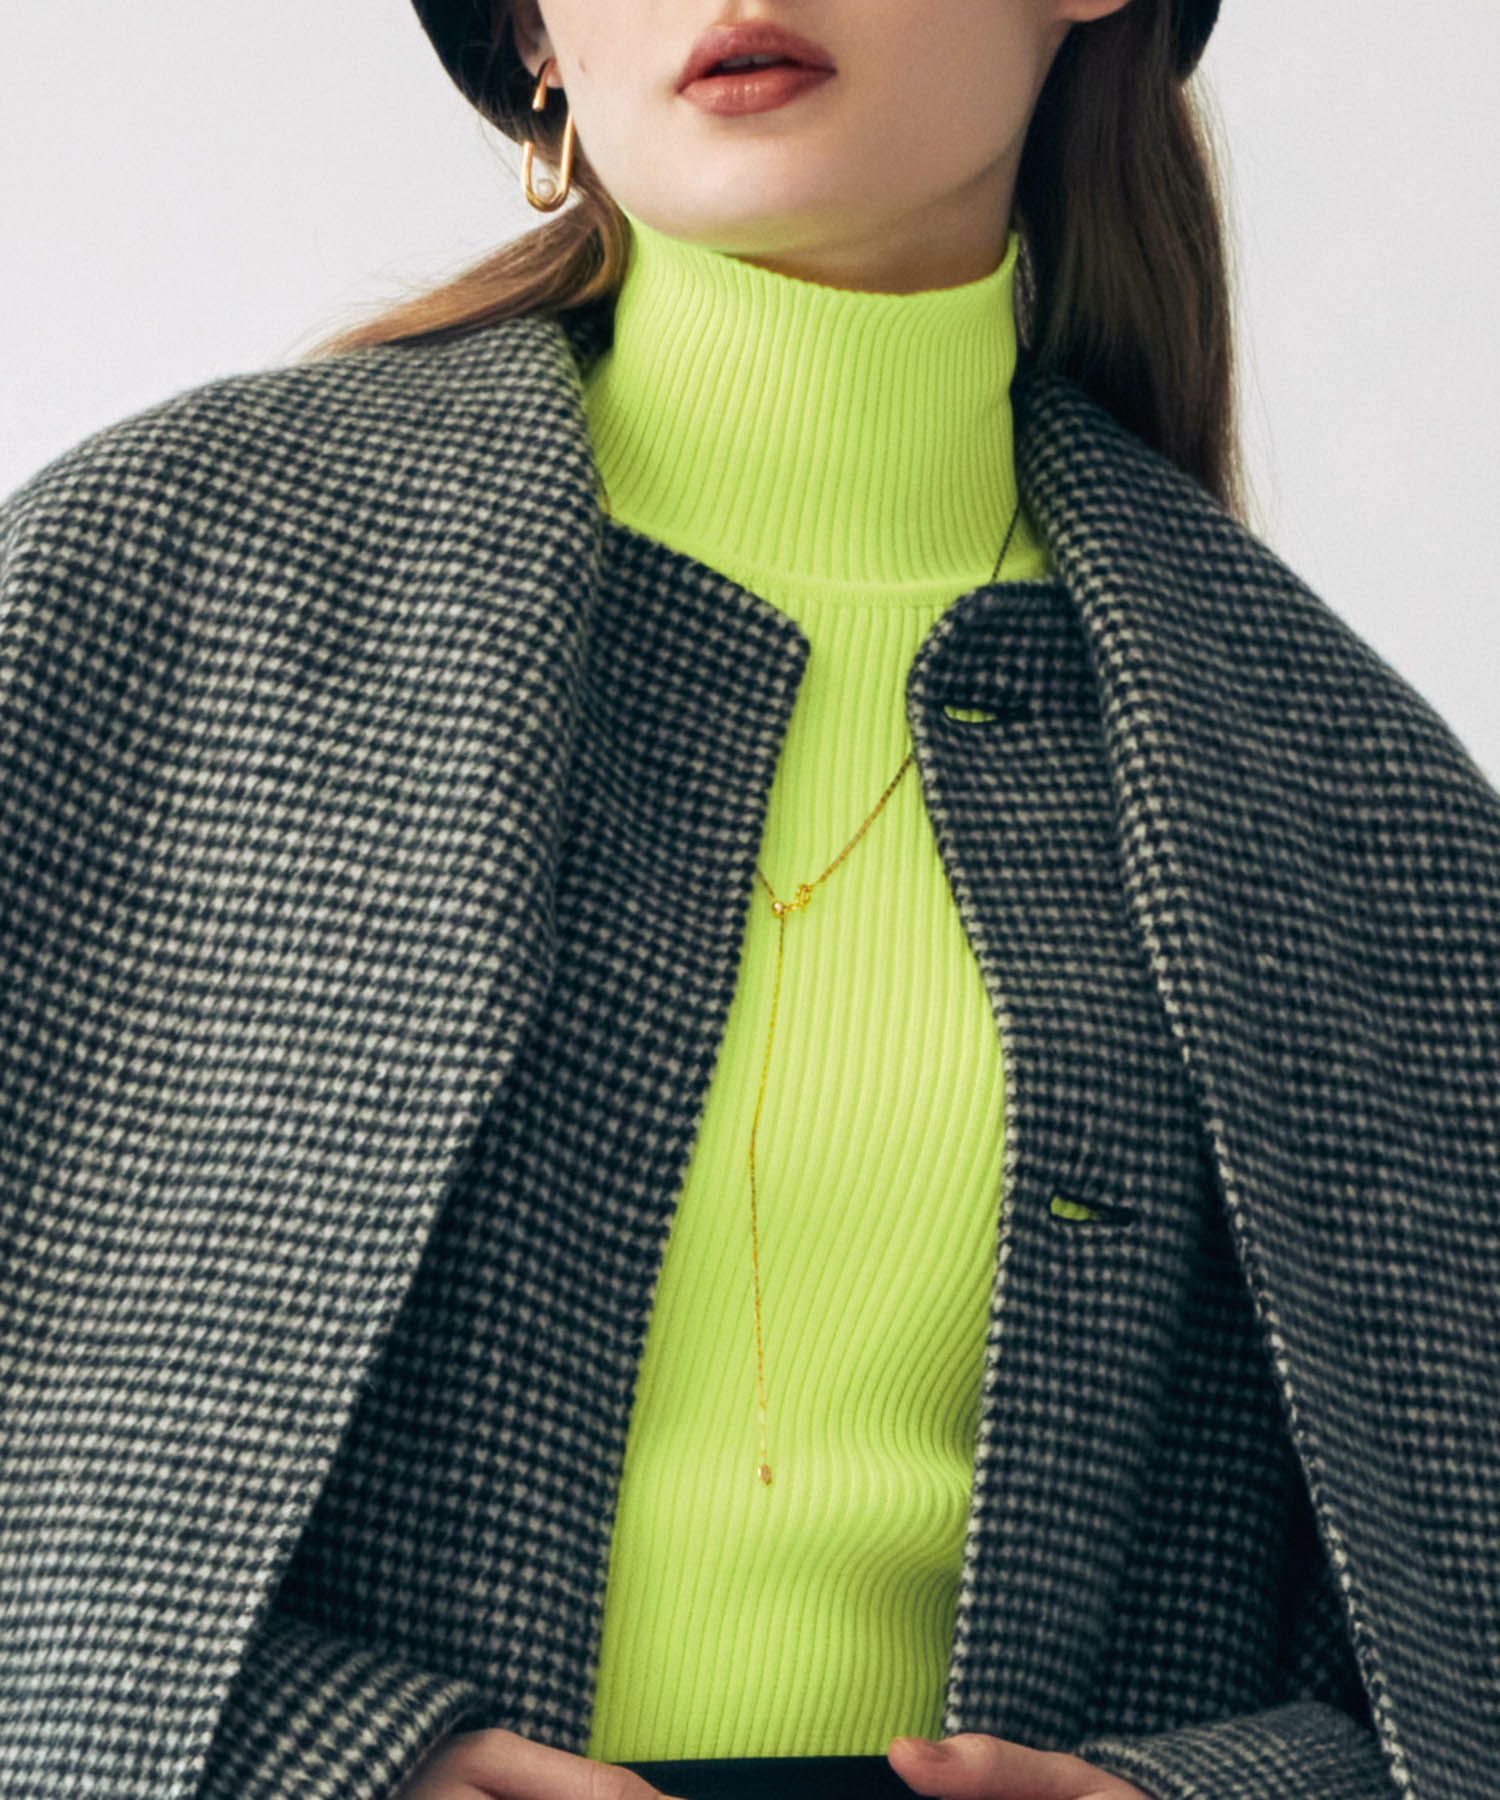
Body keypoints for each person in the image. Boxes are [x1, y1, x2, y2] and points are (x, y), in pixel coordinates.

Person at [1, 2, 1495, 1798]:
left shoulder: (1344, 790)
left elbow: (1438, 1644)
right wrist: (325, 1761)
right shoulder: (155, 594)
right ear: (536, 34)